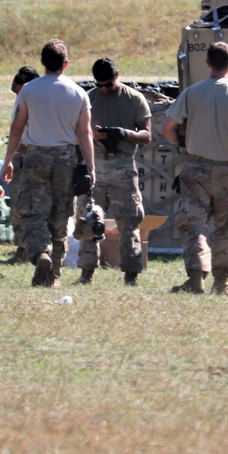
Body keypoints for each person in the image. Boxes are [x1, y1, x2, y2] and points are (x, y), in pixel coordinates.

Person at [161, 42, 228, 296]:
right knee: (227, 227)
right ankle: (222, 283)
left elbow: (167, 128)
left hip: (196, 168)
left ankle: (196, 279)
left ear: (207, 63)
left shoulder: (191, 93)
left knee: (193, 224)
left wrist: (182, 144)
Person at [1, 40, 94, 288]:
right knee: (60, 214)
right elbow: (85, 133)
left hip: (36, 156)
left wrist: (8, 160)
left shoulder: (29, 90)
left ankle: (40, 254)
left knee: (34, 212)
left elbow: (16, 127)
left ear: (42, 62)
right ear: (65, 64)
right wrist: (91, 168)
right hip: (65, 158)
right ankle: (52, 271)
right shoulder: (78, 93)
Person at [74, 58, 152, 286]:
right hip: (96, 164)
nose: (103, 89)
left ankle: (131, 273)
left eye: (108, 84)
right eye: (99, 85)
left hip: (123, 165)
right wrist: (92, 135)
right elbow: (78, 131)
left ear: (117, 75)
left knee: (128, 221)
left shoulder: (134, 99)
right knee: (89, 219)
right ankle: (87, 272)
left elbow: (147, 135)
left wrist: (124, 133)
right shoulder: (89, 99)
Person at [2, 66, 40, 265]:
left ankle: (25, 249)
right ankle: (22, 246)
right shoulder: (24, 98)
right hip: (20, 153)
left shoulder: (33, 100)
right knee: (17, 203)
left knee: (23, 204)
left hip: (27, 154)